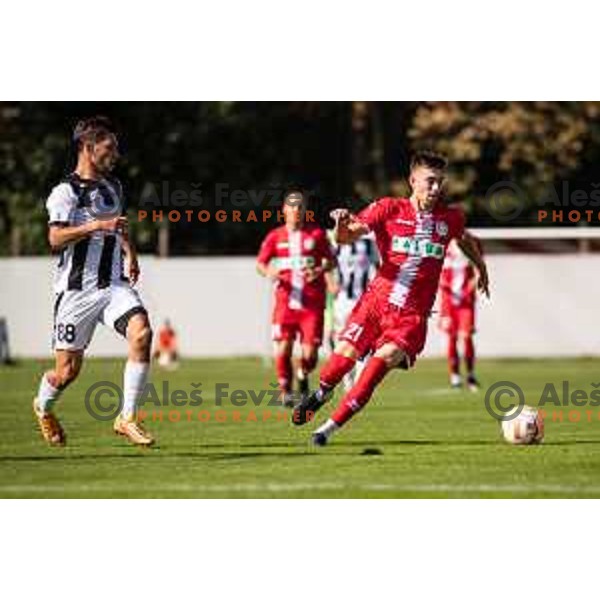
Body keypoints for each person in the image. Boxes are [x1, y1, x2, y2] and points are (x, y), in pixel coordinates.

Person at [293, 151, 490, 445]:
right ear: (413, 181)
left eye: (440, 183)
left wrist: (481, 267)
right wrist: (342, 223)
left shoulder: (450, 218)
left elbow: (465, 239)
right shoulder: (388, 209)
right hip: (374, 304)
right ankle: (321, 392)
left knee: (374, 369)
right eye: (430, 182)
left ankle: (325, 431)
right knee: (340, 362)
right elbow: (346, 237)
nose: (436, 189)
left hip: (411, 318)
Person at [32, 116, 154, 447]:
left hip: (112, 285)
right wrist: (94, 227)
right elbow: (55, 238)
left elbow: (118, 226)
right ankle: (43, 407)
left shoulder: (113, 186)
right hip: (75, 292)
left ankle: (126, 417)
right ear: (88, 148)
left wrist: (130, 252)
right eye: (109, 148)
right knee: (66, 372)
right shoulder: (65, 192)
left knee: (142, 333)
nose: (115, 155)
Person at [257, 189, 335, 406]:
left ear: (305, 210)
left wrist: (319, 271)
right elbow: (260, 264)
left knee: (310, 355)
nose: (296, 210)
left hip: (311, 305)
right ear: (284, 210)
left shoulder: (317, 235)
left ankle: (302, 373)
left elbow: (329, 262)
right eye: (292, 206)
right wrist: (269, 272)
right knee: (283, 349)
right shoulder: (275, 236)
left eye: (300, 206)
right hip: (285, 304)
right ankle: (285, 391)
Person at [330, 230, 379, 390]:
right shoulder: (336, 242)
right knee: (342, 341)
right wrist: (330, 283)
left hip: (364, 300)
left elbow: (380, 266)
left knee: (364, 340)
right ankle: (346, 377)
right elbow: (325, 263)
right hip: (342, 300)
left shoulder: (368, 243)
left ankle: (359, 381)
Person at [438, 239, 481, 390]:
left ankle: (470, 375)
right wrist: (446, 287)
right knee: (451, 338)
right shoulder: (441, 242)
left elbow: (478, 272)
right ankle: (455, 376)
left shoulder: (472, 242)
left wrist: (467, 290)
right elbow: (437, 272)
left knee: (466, 336)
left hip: (466, 302)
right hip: (448, 302)